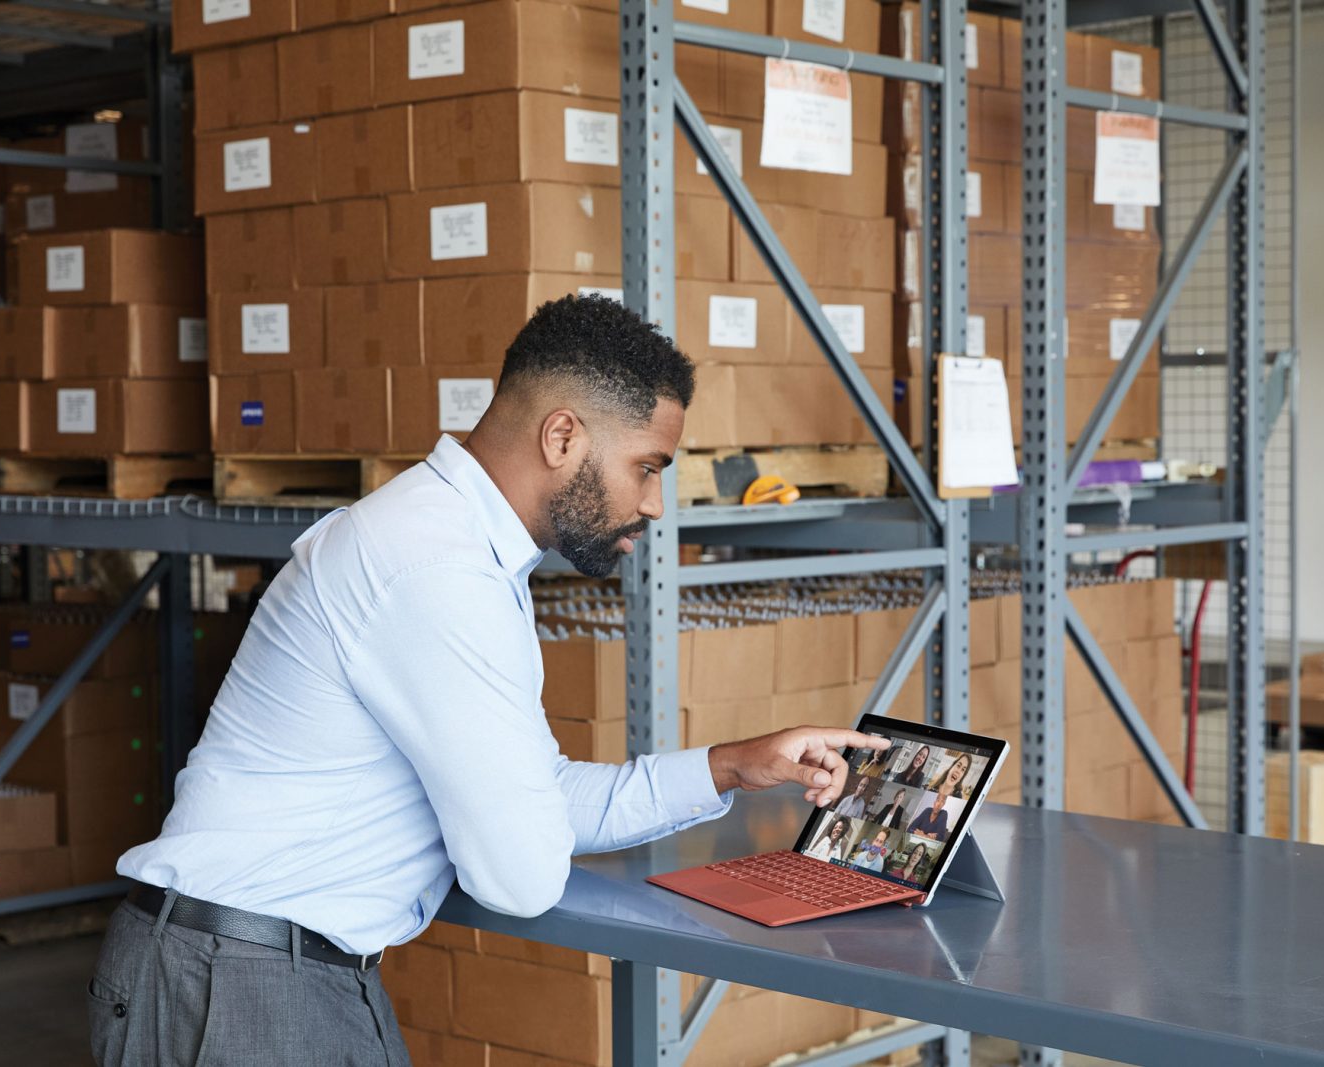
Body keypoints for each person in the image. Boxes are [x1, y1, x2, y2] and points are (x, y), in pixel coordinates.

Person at [89, 295, 893, 1066]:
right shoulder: (437, 569)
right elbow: (519, 873)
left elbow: (534, 797)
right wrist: (519, 821)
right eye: (647, 467)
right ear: (563, 436)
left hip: (256, 971)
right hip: (243, 990)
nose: (654, 504)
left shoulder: (455, 546)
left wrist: (730, 766)